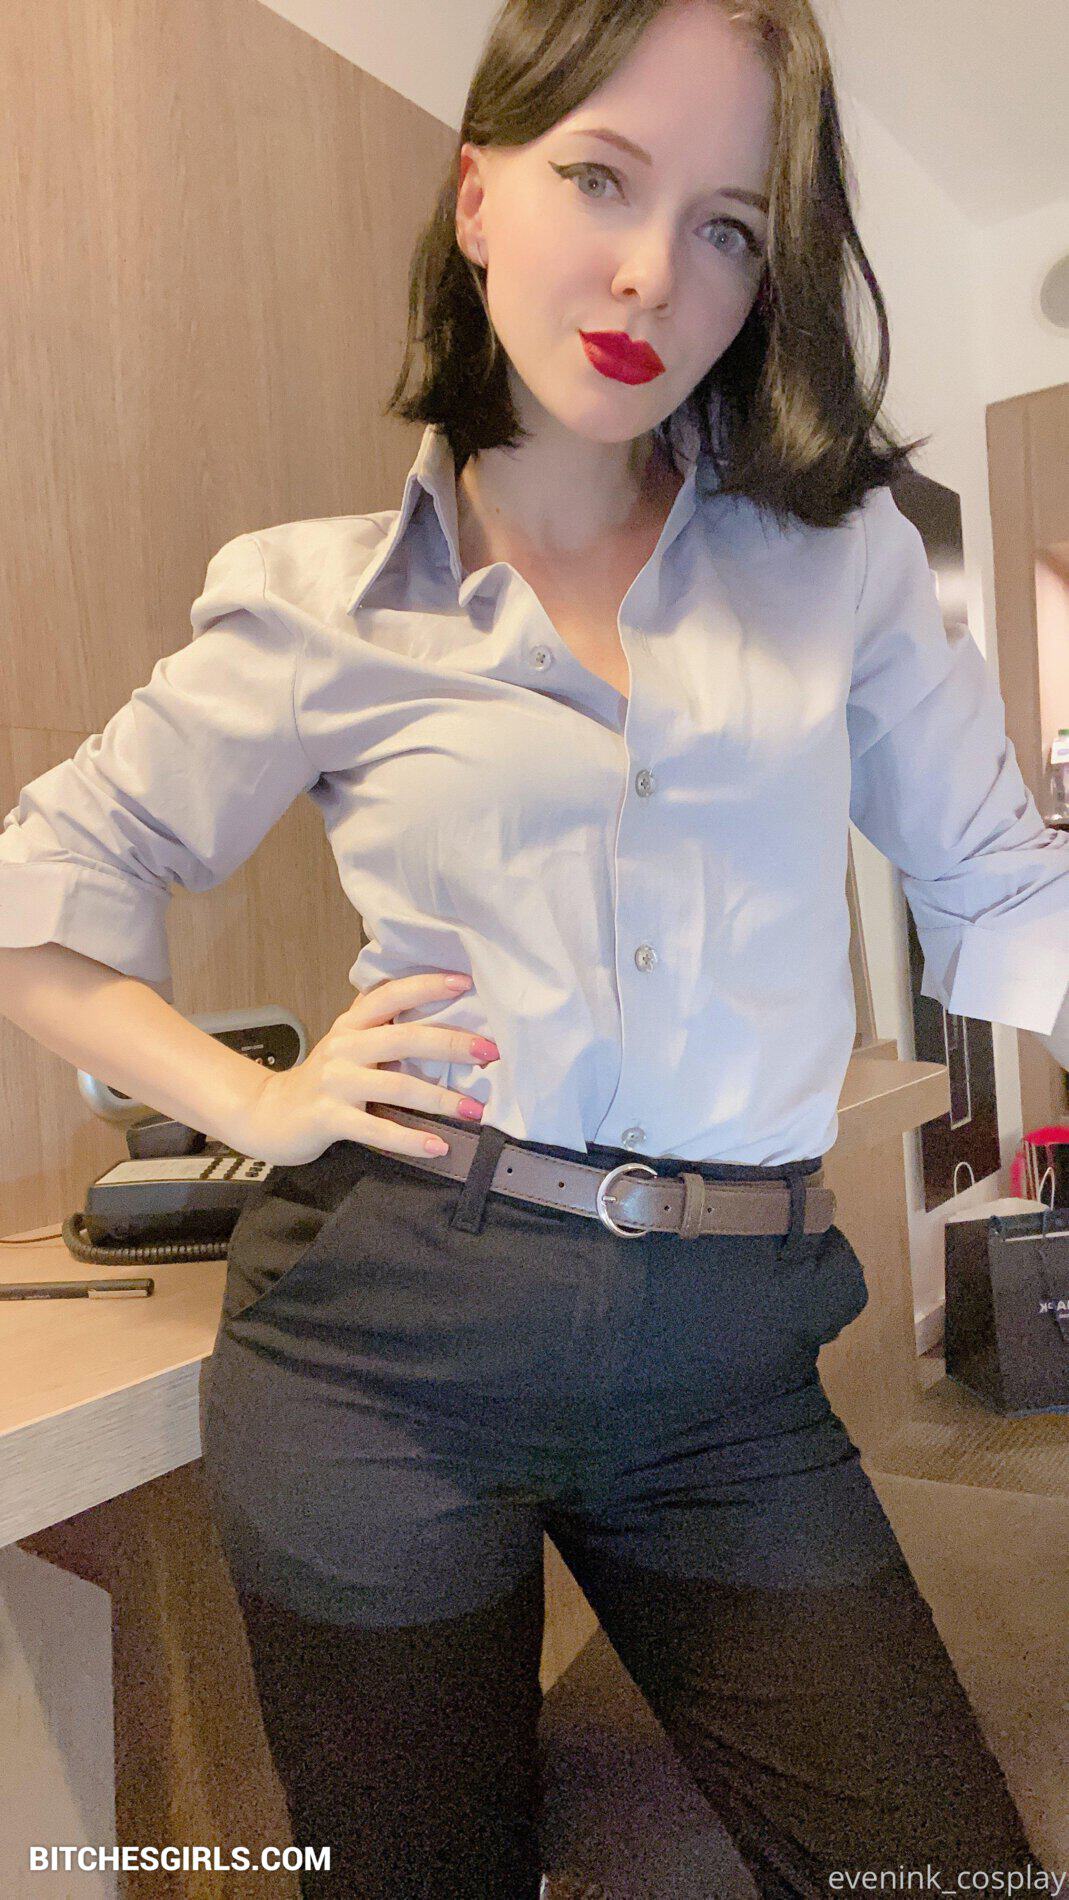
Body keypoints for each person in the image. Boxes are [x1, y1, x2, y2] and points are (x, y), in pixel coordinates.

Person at [2, 0, 1067, 1894]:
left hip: (729, 1376)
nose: (653, 272)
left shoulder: (834, 566)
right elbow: (44, 885)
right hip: (380, 1363)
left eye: (727, 225)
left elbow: (1004, 892)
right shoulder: (318, 606)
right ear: (478, 193)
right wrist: (258, 1097)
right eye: (599, 177)